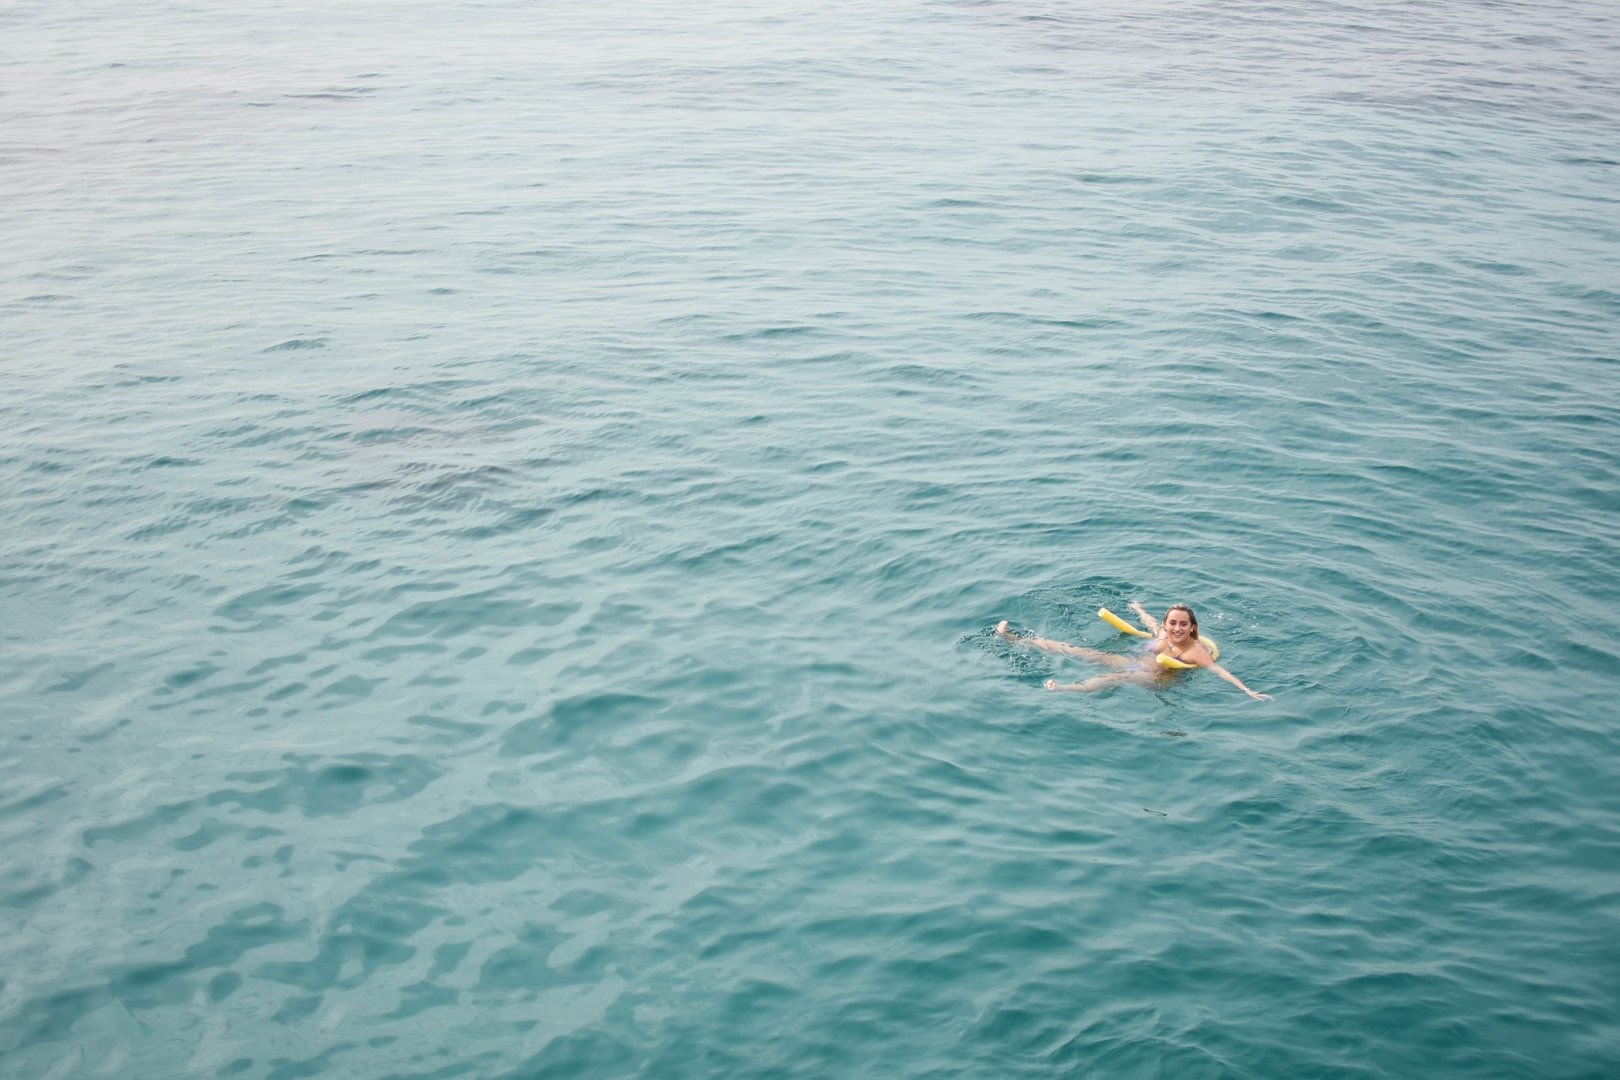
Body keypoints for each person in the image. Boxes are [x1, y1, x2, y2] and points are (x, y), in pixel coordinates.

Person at [996, 601, 1272, 700]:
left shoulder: (1194, 651)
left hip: (1156, 680)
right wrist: (1138, 609)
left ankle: (1066, 688)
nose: (1176, 628)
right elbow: (1150, 624)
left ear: (1192, 628)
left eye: (1183, 624)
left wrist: (1246, 690)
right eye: (1172, 623)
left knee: (1116, 680)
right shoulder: (1162, 632)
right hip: (1132, 660)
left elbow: (1219, 670)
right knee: (1080, 651)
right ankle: (1015, 638)